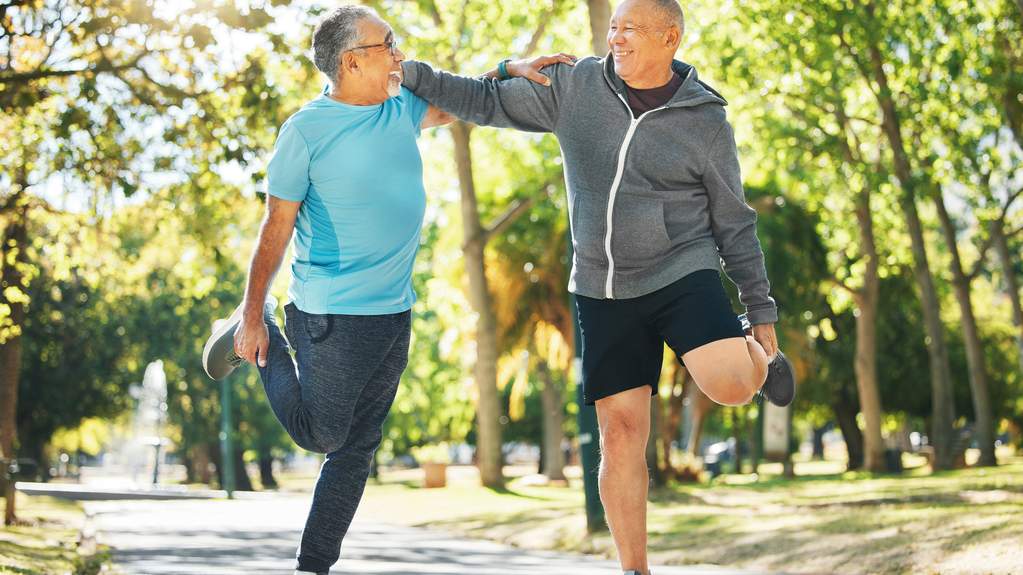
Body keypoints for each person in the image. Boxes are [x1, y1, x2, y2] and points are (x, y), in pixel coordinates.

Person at [399, 1, 796, 574]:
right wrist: (419, 69)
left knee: (733, 386)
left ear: (670, 38)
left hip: (683, 270)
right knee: (621, 431)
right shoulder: (574, 86)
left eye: (630, 29)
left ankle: (757, 353)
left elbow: (734, 221)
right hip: (603, 287)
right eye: (613, 26)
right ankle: (633, 568)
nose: (616, 38)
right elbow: (480, 102)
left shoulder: (705, 120)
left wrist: (761, 313)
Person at [200, 6, 564, 574]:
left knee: (356, 451)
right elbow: (276, 228)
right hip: (330, 315)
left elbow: (464, 98)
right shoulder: (306, 130)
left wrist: (508, 67)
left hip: (394, 313)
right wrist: (252, 312)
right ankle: (264, 334)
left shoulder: (400, 106)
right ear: (351, 61)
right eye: (387, 45)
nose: (400, 54)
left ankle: (312, 567)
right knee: (321, 434)